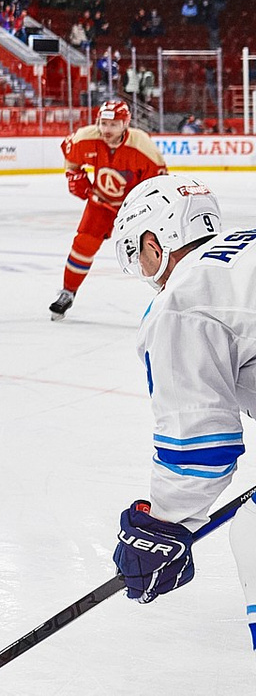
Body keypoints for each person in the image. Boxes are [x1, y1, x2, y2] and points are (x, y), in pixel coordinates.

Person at [100, 175, 256, 624]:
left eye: (138, 254)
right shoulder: (243, 255)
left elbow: (201, 446)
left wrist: (162, 526)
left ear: (156, 241)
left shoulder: (186, 298)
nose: (143, 269)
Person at [52, 98, 169, 320]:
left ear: (126, 124)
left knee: (152, 252)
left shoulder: (143, 146)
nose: (106, 130)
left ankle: (168, 297)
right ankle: (68, 292)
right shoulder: (85, 138)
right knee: (83, 244)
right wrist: (74, 176)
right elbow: (71, 158)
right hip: (101, 203)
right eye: (103, 123)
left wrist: (145, 210)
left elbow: (157, 184)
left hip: (136, 209)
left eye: (113, 124)